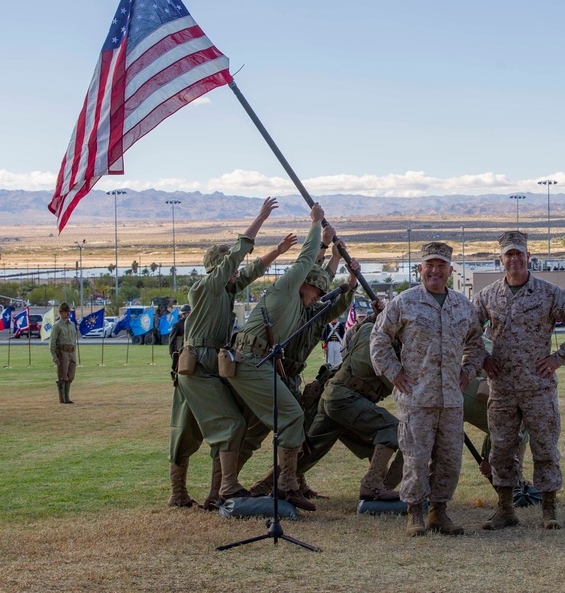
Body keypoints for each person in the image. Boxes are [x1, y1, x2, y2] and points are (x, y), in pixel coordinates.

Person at [172, 197, 294, 508]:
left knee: (218, 426)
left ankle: (215, 494)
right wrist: (260, 218)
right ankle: (202, 491)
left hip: (211, 366)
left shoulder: (224, 289)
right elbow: (239, 255)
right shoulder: (204, 288)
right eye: (228, 266)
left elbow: (250, 270)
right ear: (217, 267)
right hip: (197, 367)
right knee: (215, 427)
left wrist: (277, 252)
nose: (234, 272)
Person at [228, 202, 347, 511]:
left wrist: (333, 258)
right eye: (317, 291)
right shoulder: (284, 291)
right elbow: (307, 261)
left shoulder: (301, 308)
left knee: (277, 422)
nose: (320, 296)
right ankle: (283, 486)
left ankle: (281, 483)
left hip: (260, 363)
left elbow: (321, 279)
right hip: (249, 360)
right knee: (287, 417)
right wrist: (316, 226)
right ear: (304, 284)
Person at [472, 231, 565, 531]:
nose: (514, 259)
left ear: (528, 257)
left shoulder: (548, 294)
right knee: (501, 449)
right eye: (508, 255)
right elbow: (469, 332)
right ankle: (505, 508)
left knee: (545, 447)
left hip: (538, 387)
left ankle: (549, 508)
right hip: (502, 388)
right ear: (500, 259)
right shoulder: (487, 296)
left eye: (518, 254)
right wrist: (483, 359)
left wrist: (558, 358)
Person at [371, 241, 486, 537]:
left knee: (449, 459)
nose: (435, 271)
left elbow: (476, 344)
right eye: (430, 266)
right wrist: (393, 372)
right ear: (420, 269)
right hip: (416, 397)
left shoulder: (463, 306)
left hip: (451, 398)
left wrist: (467, 372)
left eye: (441, 266)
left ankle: (439, 512)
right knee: (416, 458)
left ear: (450, 270)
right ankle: (414, 513)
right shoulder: (404, 302)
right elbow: (379, 338)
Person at [295, 299, 404, 502]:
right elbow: (395, 381)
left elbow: (361, 329)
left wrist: (376, 315)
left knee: (312, 448)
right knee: (392, 429)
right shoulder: (382, 345)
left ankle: (271, 484)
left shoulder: (368, 329)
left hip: (333, 396)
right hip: (347, 399)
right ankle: (374, 485)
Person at [166, 303, 196, 507]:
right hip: (184, 361)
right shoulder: (179, 324)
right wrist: (174, 358)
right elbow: (172, 343)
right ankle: (178, 492)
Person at [50, 302, 78, 404]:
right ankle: (64, 398)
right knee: (63, 376)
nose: (67, 313)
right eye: (65, 312)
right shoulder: (57, 326)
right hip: (63, 352)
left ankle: (66, 396)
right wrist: (54, 357)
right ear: (61, 313)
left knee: (71, 375)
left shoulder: (72, 325)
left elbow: (74, 338)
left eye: (68, 311)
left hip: (71, 351)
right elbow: (52, 343)